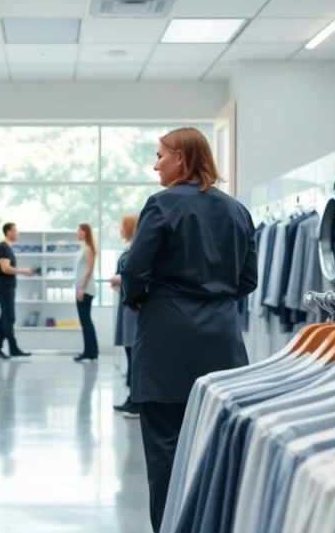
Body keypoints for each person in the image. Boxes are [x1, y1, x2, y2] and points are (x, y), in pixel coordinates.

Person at [119, 127, 257, 533]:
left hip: (167, 340)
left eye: (160, 155)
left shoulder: (161, 205)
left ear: (181, 157)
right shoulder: (237, 210)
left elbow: (135, 269)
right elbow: (248, 280)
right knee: (216, 445)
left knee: (165, 448)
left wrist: (138, 297)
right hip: (222, 340)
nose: (155, 163)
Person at [110, 214, 140, 418]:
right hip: (127, 305)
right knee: (131, 355)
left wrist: (118, 279)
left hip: (134, 309)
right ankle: (133, 398)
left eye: (122, 226)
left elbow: (134, 276)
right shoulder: (130, 248)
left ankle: (137, 401)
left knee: (135, 355)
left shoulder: (137, 249)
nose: (120, 229)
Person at [0, 222, 34, 359]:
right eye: (15, 230)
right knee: (9, 317)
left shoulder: (7, 248)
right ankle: (13, 348)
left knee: (4, 318)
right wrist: (24, 271)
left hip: (8, 287)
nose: (17, 233)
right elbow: (5, 268)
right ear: (8, 232)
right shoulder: (2, 247)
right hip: (4, 287)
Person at [73, 222, 98, 362]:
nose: (77, 232)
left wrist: (82, 288)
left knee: (86, 321)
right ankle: (89, 351)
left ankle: (91, 352)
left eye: (79, 230)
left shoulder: (88, 248)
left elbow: (89, 270)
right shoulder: (84, 248)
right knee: (85, 321)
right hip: (82, 288)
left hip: (85, 289)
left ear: (85, 232)